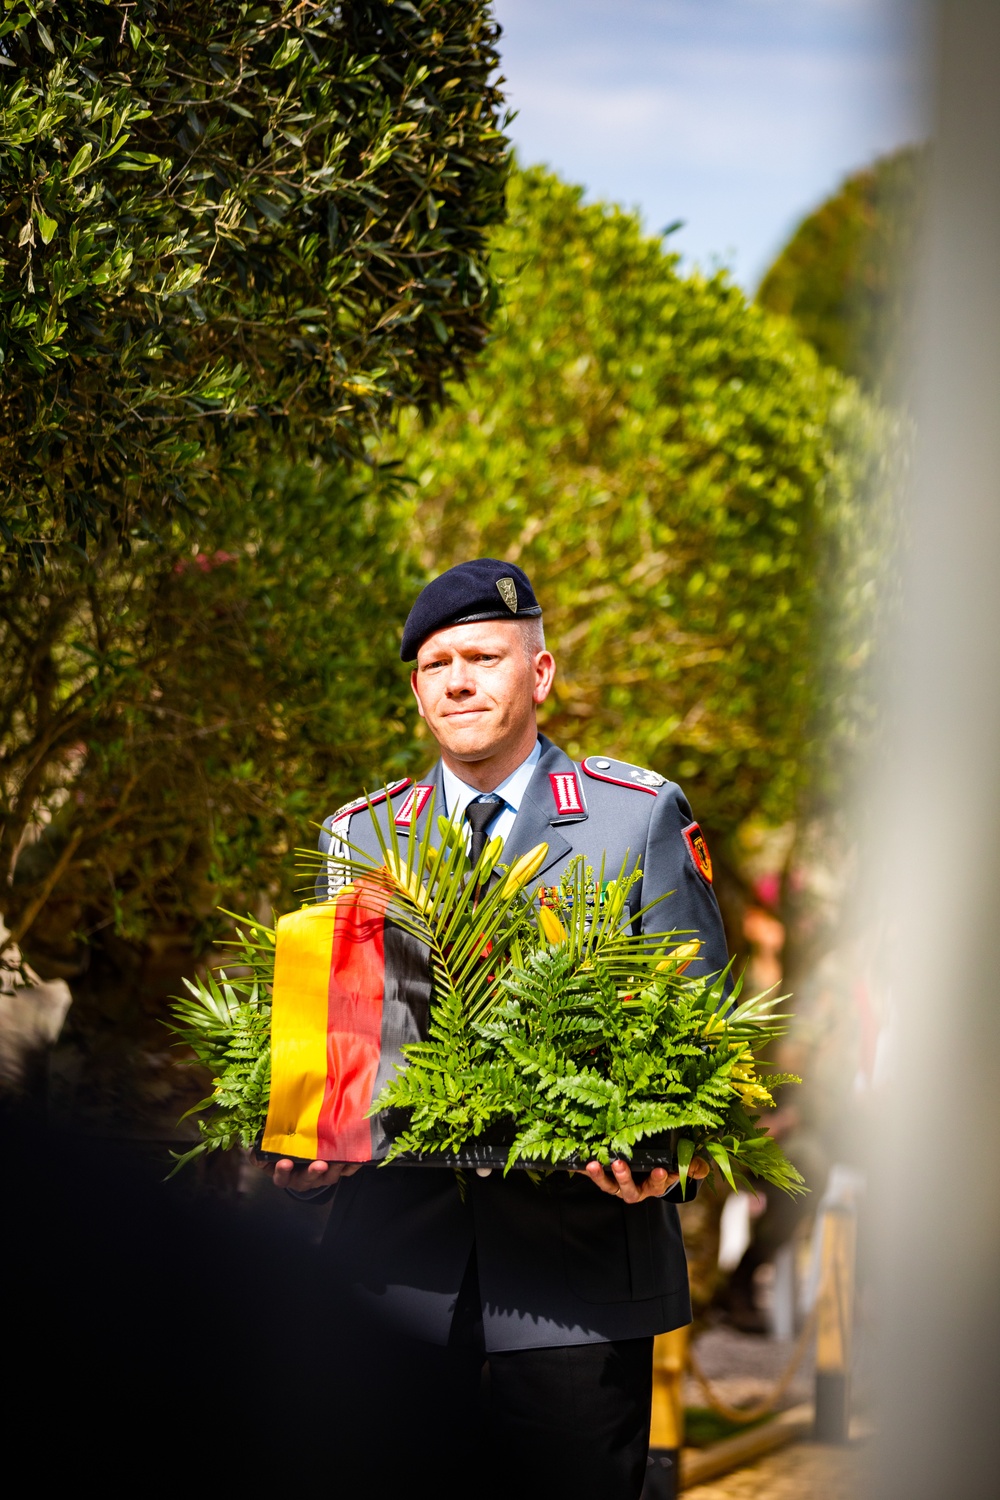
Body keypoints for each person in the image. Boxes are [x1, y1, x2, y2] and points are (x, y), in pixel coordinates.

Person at [263, 559, 729, 1499]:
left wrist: (667, 1153)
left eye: (483, 655)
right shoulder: (360, 836)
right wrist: (312, 1149)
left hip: (577, 1278)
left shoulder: (631, 819)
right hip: (391, 1273)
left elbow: (703, 1032)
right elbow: (340, 1037)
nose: (460, 680)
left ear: (541, 674)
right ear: (416, 689)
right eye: (438, 664)